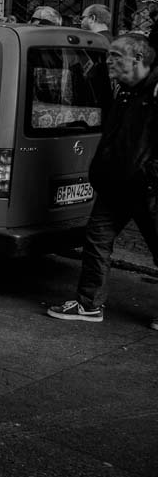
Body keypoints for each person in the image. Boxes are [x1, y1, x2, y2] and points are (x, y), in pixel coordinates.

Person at [48, 34, 158, 329]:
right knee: (97, 241)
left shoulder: (154, 92)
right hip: (114, 186)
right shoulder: (124, 91)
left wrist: (150, 176)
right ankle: (89, 304)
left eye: (115, 56)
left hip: (147, 189)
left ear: (137, 59)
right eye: (108, 55)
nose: (108, 61)